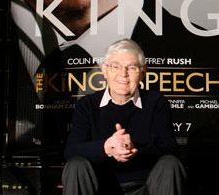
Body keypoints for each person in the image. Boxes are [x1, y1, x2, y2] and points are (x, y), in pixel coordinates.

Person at [62, 38, 187, 195]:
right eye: (115, 66)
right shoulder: (87, 105)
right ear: (104, 70)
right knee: (76, 164)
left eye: (132, 67)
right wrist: (106, 148)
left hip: (145, 187)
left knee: (170, 163)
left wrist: (135, 150)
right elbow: (71, 151)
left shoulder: (156, 103)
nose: (123, 74)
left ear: (142, 73)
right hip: (100, 188)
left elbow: (170, 149)